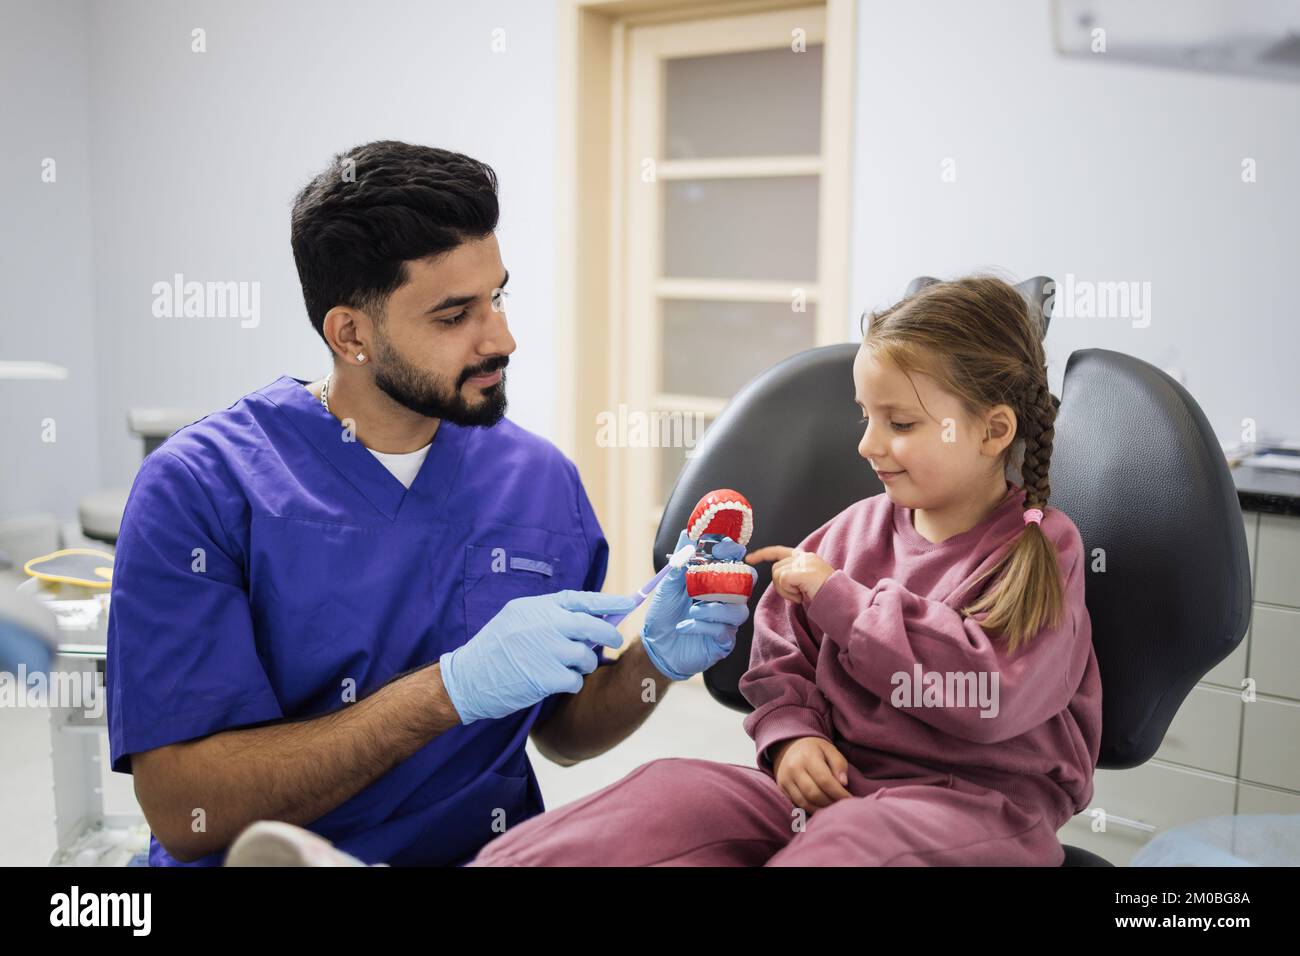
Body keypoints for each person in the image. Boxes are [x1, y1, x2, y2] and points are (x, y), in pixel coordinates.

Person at [105, 141, 748, 866]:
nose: (502, 338)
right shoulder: (200, 490)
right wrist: (448, 691)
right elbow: (187, 810)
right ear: (351, 334)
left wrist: (653, 663)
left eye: (498, 296)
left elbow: (561, 733)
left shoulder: (537, 479)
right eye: (453, 316)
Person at [469, 275, 1102, 866]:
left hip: (976, 809)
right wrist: (792, 736)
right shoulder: (851, 532)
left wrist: (845, 604)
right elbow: (781, 660)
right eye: (866, 416)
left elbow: (988, 696)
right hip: (833, 787)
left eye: (900, 424)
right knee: (669, 796)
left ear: (993, 431)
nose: (867, 444)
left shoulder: (1041, 552)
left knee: (850, 842)